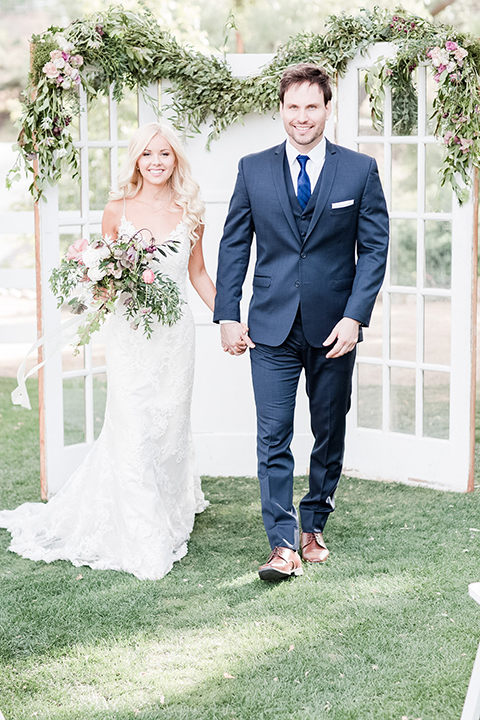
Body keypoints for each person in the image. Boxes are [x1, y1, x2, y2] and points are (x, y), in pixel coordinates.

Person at [0, 122, 216, 580]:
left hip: (176, 337)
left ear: (175, 160)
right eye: (146, 155)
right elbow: (107, 275)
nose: (156, 162)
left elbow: (198, 274)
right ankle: (142, 537)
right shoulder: (117, 209)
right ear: (136, 160)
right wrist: (93, 292)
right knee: (133, 426)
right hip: (131, 336)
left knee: (170, 426)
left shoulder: (191, 211)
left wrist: (230, 317)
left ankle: (169, 512)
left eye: (164, 154)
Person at [214, 64, 389, 582]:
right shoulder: (253, 169)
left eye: (312, 106)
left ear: (327, 109)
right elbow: (233, 245)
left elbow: (375, 248)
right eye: (293, 107)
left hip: (336, 328)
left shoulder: (358, 170)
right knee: (273, 435)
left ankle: (315, 521)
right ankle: (283, 544)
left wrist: (356, 316)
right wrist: (227, 313)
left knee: (328, 430)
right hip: (270, 327)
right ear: (281, 110)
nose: (302, 117)